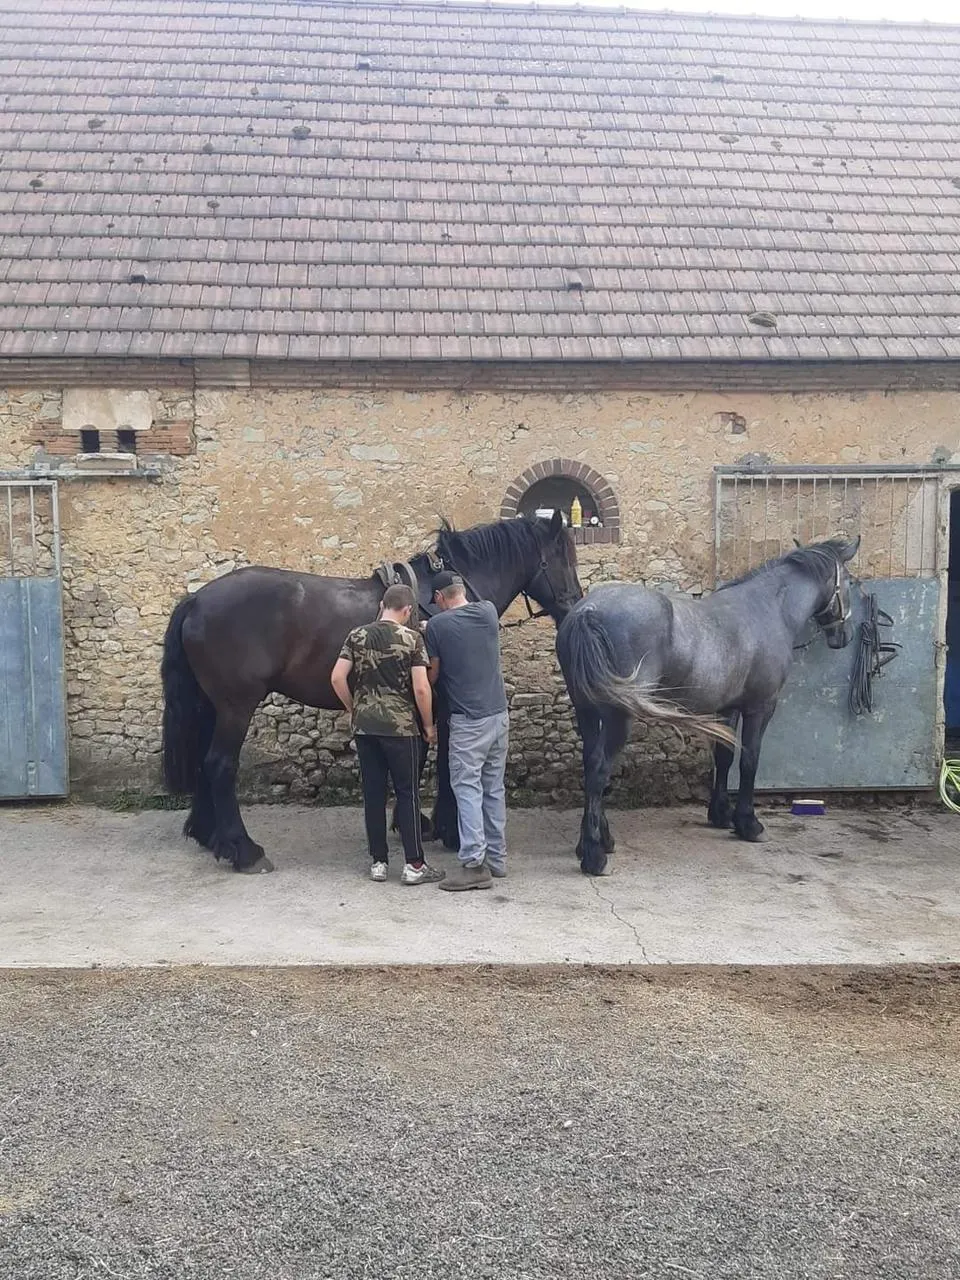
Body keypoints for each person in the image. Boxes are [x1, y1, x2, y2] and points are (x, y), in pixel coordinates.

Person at [331, 584, 444, 886]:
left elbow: (337, 678)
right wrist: (428, 725)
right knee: (407, 794)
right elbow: (421, 688)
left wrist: (354, 708)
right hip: (401, 729)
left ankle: (378, 862)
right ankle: (414, 864)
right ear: (407, 610)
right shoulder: (412, 639)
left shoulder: (357, 635)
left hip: (366, 727)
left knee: (373, 794)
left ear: (382, 605)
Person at [425, 571, 509, 891]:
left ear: (438, 598)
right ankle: (497, 860)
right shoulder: (487, 611)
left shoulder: (438, 625)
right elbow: (462, 619)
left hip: (468, 723)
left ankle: (474, 865)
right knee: (493, 788)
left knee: (468, 790)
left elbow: (433, 676)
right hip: (498, 716)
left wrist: (428, 632)